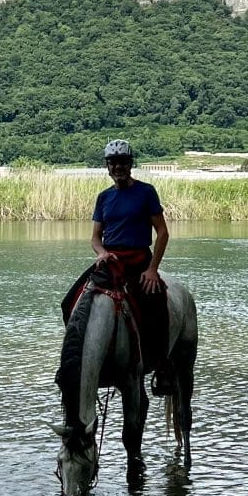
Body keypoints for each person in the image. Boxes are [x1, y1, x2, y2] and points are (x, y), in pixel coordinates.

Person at [90, 138, 173, 390]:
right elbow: (95, 237)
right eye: (113, 163)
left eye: (123, 162)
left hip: (139, 262)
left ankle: (162, 365)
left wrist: (153, 269)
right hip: (111, 263)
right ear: (107, 166)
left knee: (157, 301)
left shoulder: (146, 192)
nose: (118, 167)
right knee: (71, 301)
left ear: (130, 164)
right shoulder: (103, 197)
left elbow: (163, 232)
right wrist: (101, 252)